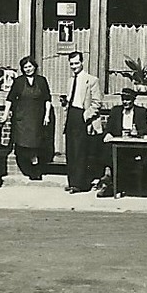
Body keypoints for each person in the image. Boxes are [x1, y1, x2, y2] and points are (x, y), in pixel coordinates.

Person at [3, 56, 54, 180]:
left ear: (35, 67)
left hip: (37, 117)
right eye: (25, 67)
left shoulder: (42, 81)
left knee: (35, 143)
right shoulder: (19, 82)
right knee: (23, 144)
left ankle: (35, 168)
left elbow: (47, 99)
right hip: (22, 118)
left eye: (30, 66)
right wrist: (5, 114)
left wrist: (47, 115)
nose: (28, 69)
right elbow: (10, 99)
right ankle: (29, 168)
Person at [61, 51, 103, 193]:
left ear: (82, 62)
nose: (74, 66)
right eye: (71, 64)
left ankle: (80, 184)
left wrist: (85, 116)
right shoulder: (70, 80)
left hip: (83, 117)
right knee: (71, 151)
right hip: (71, 116)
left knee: (80, 152)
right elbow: (72, 98)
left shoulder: (91, 80)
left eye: (76, 63)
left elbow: (97, 103)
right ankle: (72, 181)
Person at [99, 87, 147, 198]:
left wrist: (136, 133)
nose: (125, 102)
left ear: (133, 100)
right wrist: (108, 134)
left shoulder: (140, 112)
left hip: (133, 145)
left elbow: (144, 130)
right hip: (119, 144)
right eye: (123, 99)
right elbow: (109, 128)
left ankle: (136, 188)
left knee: (145, 154)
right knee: (106, 150)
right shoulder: (116, 111)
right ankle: (110, 183)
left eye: (128, 100)